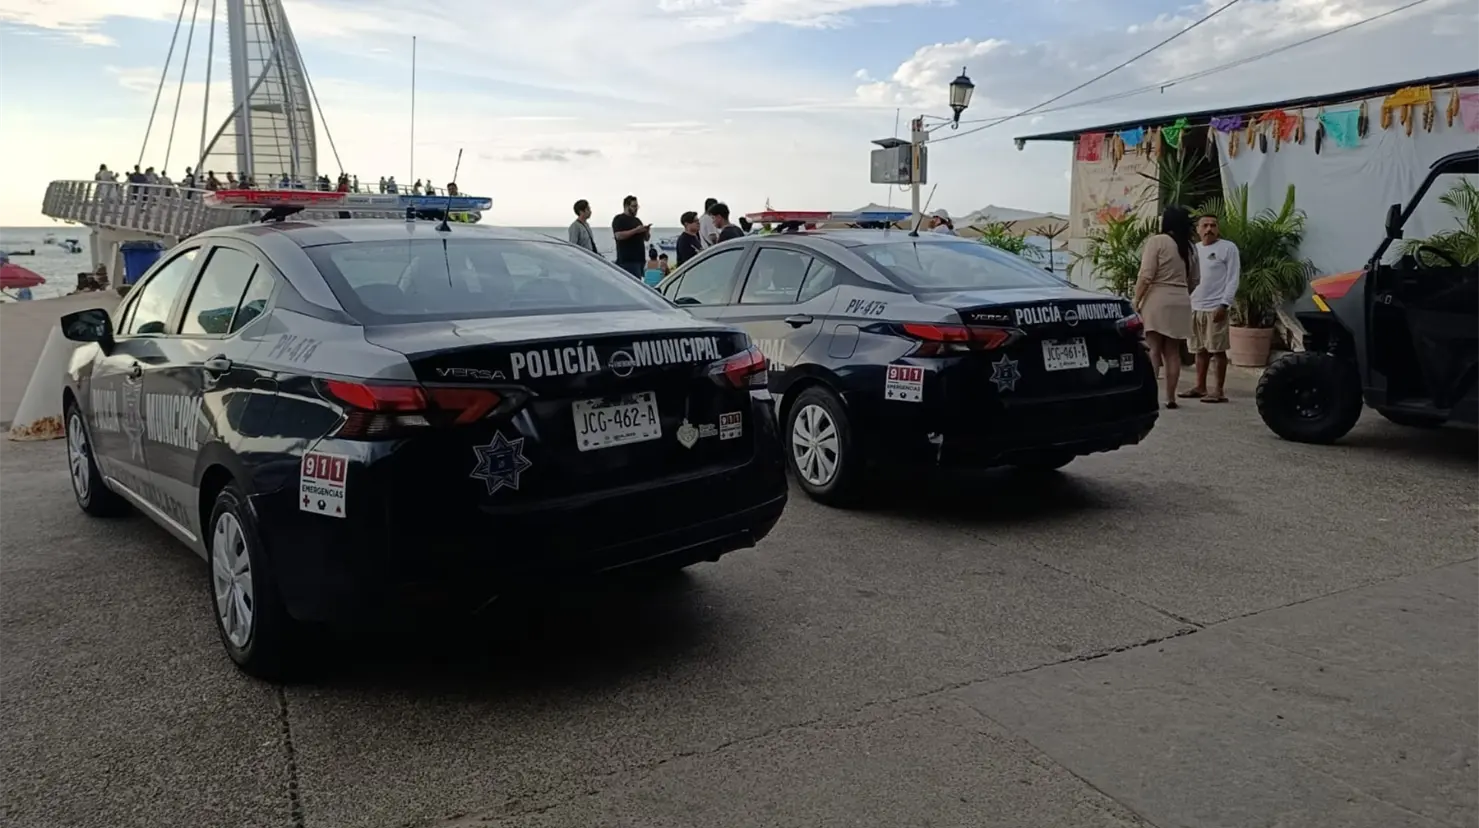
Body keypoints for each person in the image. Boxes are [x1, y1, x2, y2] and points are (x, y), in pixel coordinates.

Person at [1134, 206, 1199, 409]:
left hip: (1157, 299)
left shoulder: (1157, 241)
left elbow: (1146, 276)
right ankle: (1171, 397)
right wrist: (1181, 291)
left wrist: (1136, 301)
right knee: (1172, 352)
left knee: (1153, 350)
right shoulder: (1190, 247)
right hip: (1181, 300)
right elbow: (1195, 280)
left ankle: (1150, 396)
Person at [1182, 213, 1241, 404]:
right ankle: (1200, 387)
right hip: (1195, 306)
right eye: (1205, 225)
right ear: (1198, 230)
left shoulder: (1228, 248)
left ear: (1218, 228)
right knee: (1199, 350)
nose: (1209, 229)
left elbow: (1233, 278)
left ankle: (1219, 391)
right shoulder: (1194, 249)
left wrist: (1224, 304)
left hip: (1216, 307)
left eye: (1213, 225)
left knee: (1217, 350)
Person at [611, 195, 652, 280]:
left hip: (640, 260)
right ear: (626, 206)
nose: (636, 208)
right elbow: (618, 236)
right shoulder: (619, 219)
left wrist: (646, 231)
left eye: (637, 206)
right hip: (627, 261)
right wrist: (635, 231)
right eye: (634, 206)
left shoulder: (637, 220)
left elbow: (646, 239)